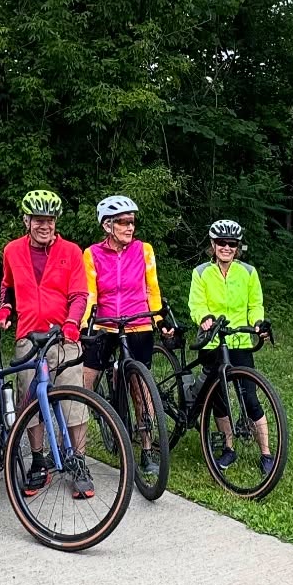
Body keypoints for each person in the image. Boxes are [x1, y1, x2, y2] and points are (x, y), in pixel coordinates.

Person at [0, 189, 92, 496]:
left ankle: (78, 462)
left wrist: (73, 323)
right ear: (27, 221)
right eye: (38, 220)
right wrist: (5, 309)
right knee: (31, 402)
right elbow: (7, 287)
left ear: (55, 221)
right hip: (28, 336)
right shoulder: (12, 250)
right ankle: (38, 461)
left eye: (49, 220)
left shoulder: (71, 251)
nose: (44, 226)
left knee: (74, 400)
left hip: (64, 337)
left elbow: (79, 294)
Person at [81, 194, 174, 482]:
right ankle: (79, 449)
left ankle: (146, 449)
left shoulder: (144, 250)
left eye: (131, 222)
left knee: (140, 384)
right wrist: (87, 323)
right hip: (106, 323)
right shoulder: (92, 254)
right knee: (86, 379)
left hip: (137, 323)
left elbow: (152, 289)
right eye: (123, 222)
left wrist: (159, 319)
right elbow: (90, 292)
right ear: (107, 226)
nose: (130, 227)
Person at [187, 218, 274, 472]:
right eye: (221, 243)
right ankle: (228, 447)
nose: (226, 247)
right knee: (219, 400)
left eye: (232, 244)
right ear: (213, 245)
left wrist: (258, 322)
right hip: (213, 341)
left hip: (239, 341)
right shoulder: (201, 273)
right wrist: (203, 318)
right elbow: (197, 303)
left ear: (238, 247)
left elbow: (255, 304)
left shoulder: (248, 272)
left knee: (250, 397)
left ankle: (267, 454)